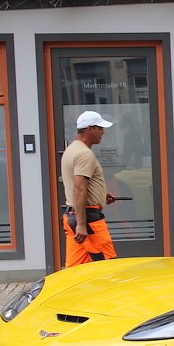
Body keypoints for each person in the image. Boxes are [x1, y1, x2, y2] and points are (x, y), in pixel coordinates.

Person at [60, 111, 119, 267]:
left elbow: (78, 186)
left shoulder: (72, 150)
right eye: (100, 128)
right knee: (107, 267)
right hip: (88, 219)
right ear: (89, 129)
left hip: (73, 216)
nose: (103, 132)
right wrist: (81, 224)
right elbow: (79, 188)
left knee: (76, 269)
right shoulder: (84, 154)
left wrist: (98, 196)